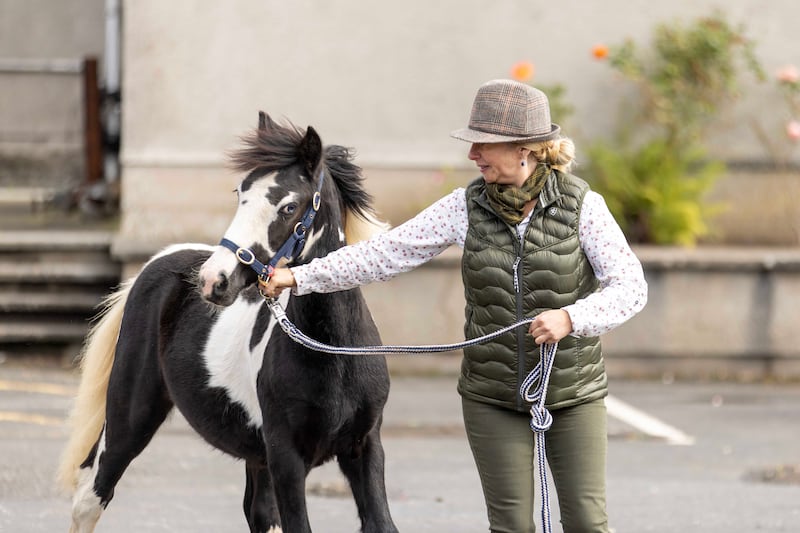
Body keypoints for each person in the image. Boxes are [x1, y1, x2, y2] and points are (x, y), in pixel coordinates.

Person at [262, 79, 647, 533]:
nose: (473, 155)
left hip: (572, 394)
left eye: (483, 144)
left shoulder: (584, 207)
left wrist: (572, 317)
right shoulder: (464, 208)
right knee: (511, 527)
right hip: (492, 395)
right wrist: (300, 277)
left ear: (526, 147)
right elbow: (385, 252)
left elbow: (630, 286)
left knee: (586, 522)